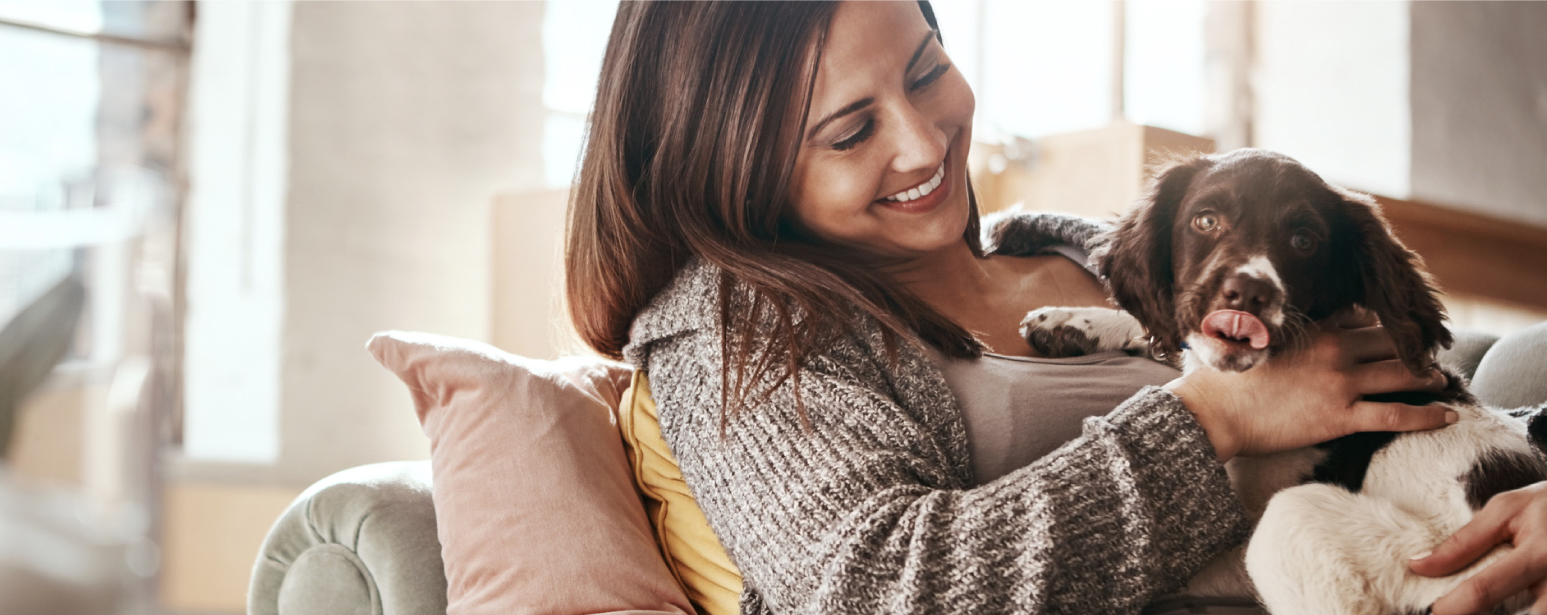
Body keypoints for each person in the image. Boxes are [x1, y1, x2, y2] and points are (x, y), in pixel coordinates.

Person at [563, 2, 1547, 614]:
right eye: (850, 131)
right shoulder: (736, 334)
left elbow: (1436, 410)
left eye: (924, 71)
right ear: (732, 169)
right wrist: (1210, 420)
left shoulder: (1079, 248)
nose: (924, 142)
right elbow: (873, 588)